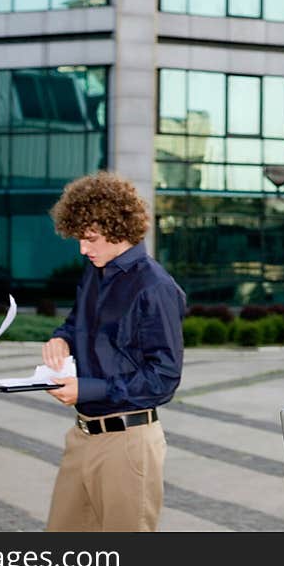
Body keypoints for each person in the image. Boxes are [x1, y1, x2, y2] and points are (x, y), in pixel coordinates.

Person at [41, 171, 186, 532]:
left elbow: (164, 378)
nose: (82, 249)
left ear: (119, 228)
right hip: (82, 436)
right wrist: (61, 338)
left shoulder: (155, 287)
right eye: (79, 238)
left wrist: (90, 389)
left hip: (128, 444)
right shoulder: (95, 271)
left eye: (90, 239)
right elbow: (76, 322)